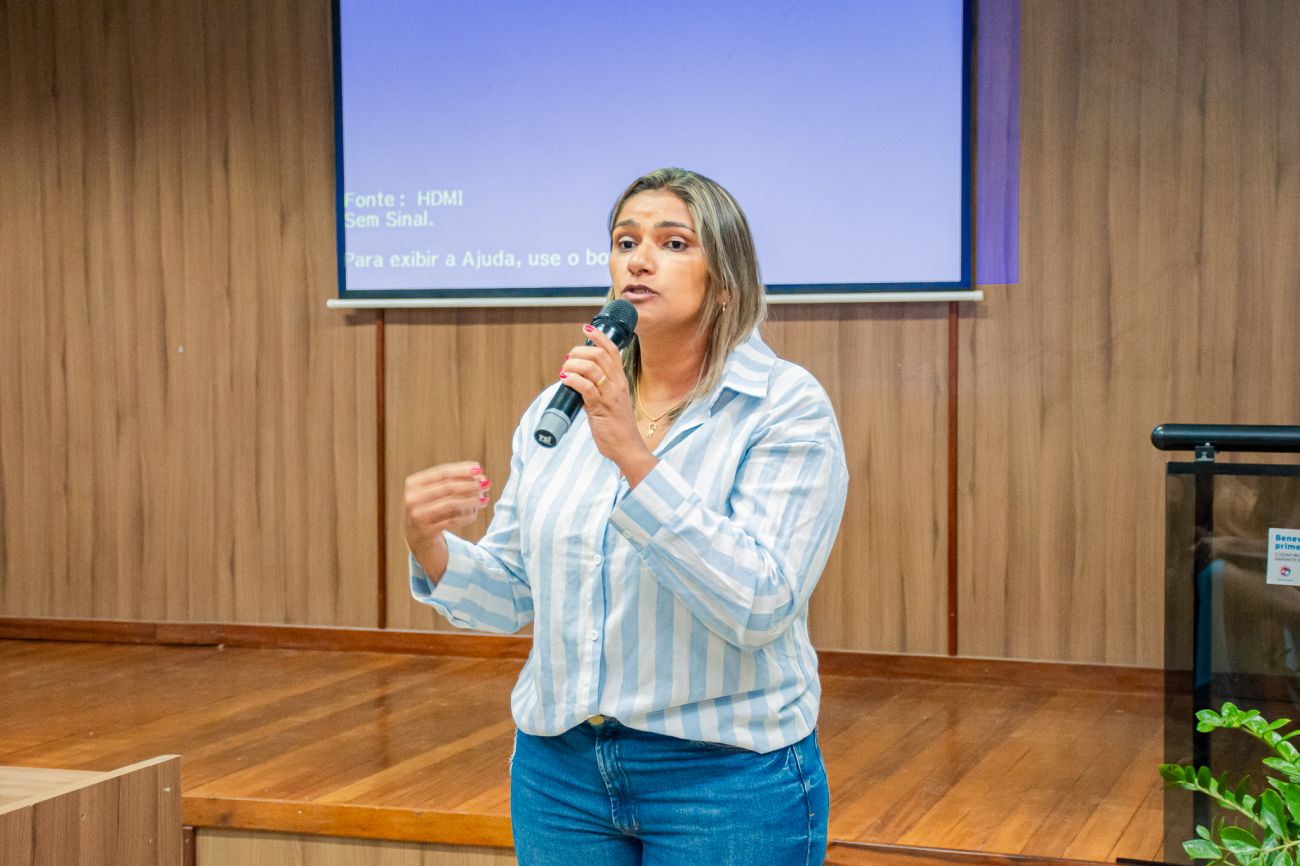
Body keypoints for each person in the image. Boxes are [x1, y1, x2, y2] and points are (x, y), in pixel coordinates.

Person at [403, 167, 849, 865]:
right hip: (560, 776)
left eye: (673, 243)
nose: (639, 260)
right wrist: (430, 546)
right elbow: (513, 594)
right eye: (625, 241)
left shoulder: (783, 407)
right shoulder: (562, 406)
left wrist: (635, 460)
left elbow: (761, 605)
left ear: (725, 282)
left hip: (724, 778)